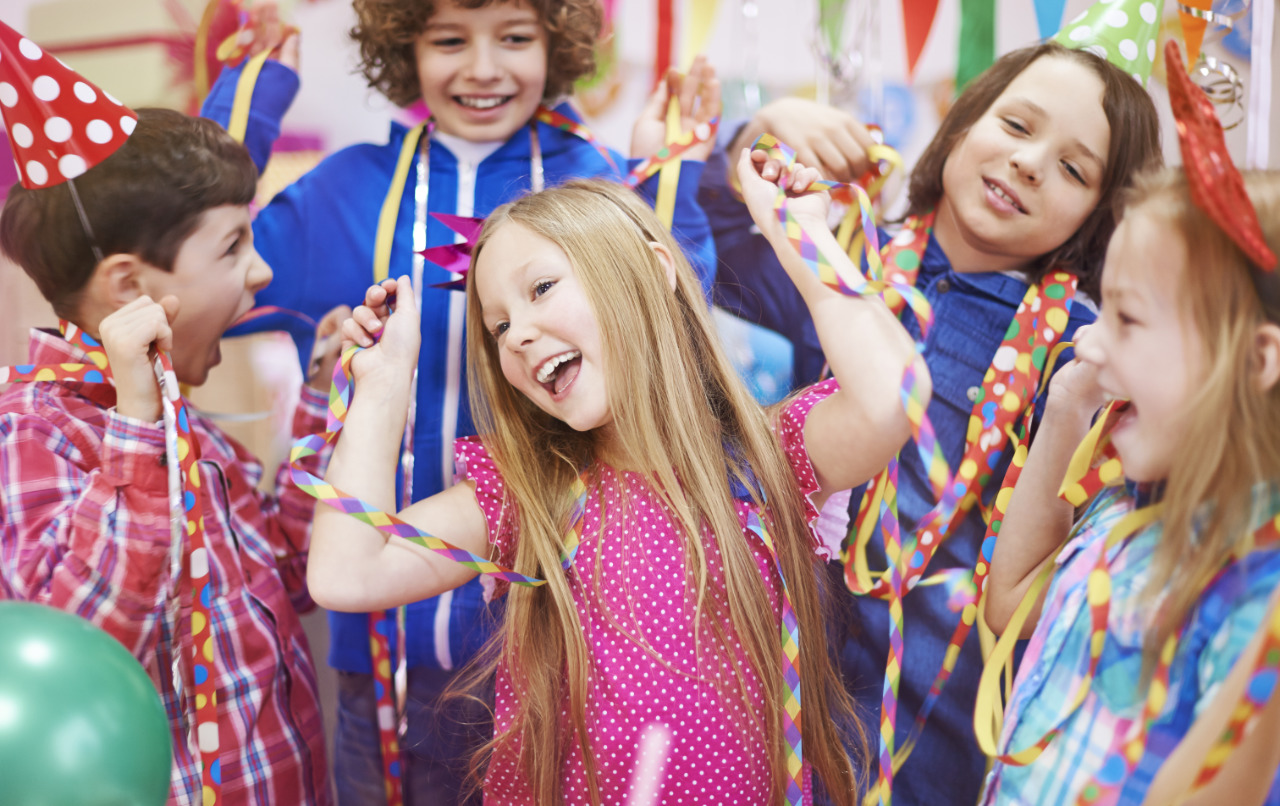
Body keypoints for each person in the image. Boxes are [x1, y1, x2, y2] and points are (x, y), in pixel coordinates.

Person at [200, 3, 719, 800]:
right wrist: (245, 112)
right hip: (385, 656)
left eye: (514, 38)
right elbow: (195, 269)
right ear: (406, 48)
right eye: (449, 40)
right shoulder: (348, 190)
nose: (483, 67)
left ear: (557, 43)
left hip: (575, 651)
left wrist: (669, 179)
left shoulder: (601, 181)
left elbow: (677, 330)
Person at [306, 156, 930, 804]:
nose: (516, 333)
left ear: (656, 271)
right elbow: (346, 573)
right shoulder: (530, 494)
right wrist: (380, 387)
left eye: (541, 288)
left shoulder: (768, 459)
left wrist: (799, 234)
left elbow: (892, 398)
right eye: (496, 326)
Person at [704, 36, 1163, 804]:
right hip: (774, 673)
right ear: (959, 125)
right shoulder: (843, 257)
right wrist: (760, 137)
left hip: (931, 717)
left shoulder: (1079, 354)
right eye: (1017, 127)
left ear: (1098, 215)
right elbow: (702, 241)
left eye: (1074, 168)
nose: (1028, 163)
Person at [0, 101, 345, 804]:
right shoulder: (30, 434)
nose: (263, 273)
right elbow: (80, 650)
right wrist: (135, 427)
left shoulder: (194, 432)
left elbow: (297, 573)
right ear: (130, 288)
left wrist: (323, 400)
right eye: (232, 247)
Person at [981, 46, 1280, 803]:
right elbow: (1012, 603)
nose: (1091, 341)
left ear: (1254, 361)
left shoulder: (1255, 581)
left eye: (1129, 318)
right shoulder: (1127, 502)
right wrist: (1068, 404)